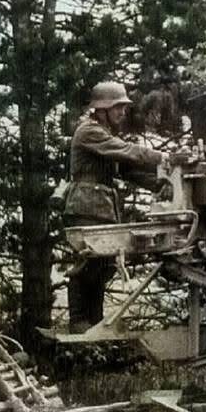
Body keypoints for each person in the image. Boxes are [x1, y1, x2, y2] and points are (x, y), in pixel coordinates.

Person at [61, 81, 166, 333]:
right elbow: (127, 151)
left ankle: (94, 322)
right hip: (86, 206)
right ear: (102, 109)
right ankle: (78, 320)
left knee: (102, 264)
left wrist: (160, 184)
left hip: (99, 207)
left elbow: (127, 170)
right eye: (117, 107)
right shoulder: (89, 131)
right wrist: (163, 157)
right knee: (88, 261)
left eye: (124, 107)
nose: (123, 112)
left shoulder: (104, 134)